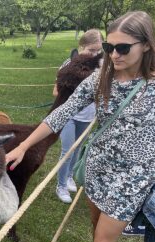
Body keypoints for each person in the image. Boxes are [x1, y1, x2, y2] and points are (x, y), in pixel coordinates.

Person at [6, 11, 155, 242]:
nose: (114, 55)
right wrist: (24, 146)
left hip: (133, 177)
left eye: (123, 48)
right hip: (98, 167)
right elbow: (62, 112)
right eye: (109, 47)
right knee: (97, 233)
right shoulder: (101, 79)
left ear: (146, 44)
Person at [53, 29, 104, 203]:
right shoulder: (69, 65)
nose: (94, 54)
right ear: (81, 46)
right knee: (68, 150)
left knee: (78, 149)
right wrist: (77, 92)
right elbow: (56, 91)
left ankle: (69, 177)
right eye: (90, 50)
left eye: (98, 50)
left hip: (88, 116)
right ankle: (60, 185)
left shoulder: (100, 65)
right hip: (69, 115)